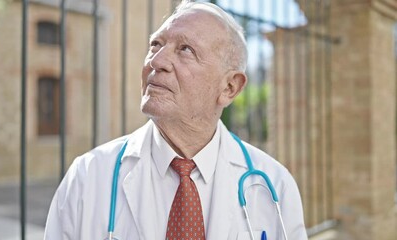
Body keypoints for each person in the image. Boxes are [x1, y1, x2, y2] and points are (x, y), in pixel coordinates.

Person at [44, 1, 307, 239]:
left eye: (185, 49)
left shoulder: (274, 186)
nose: (157, 61)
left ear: (229, 87)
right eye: (155, 45)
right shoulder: (88, 177)